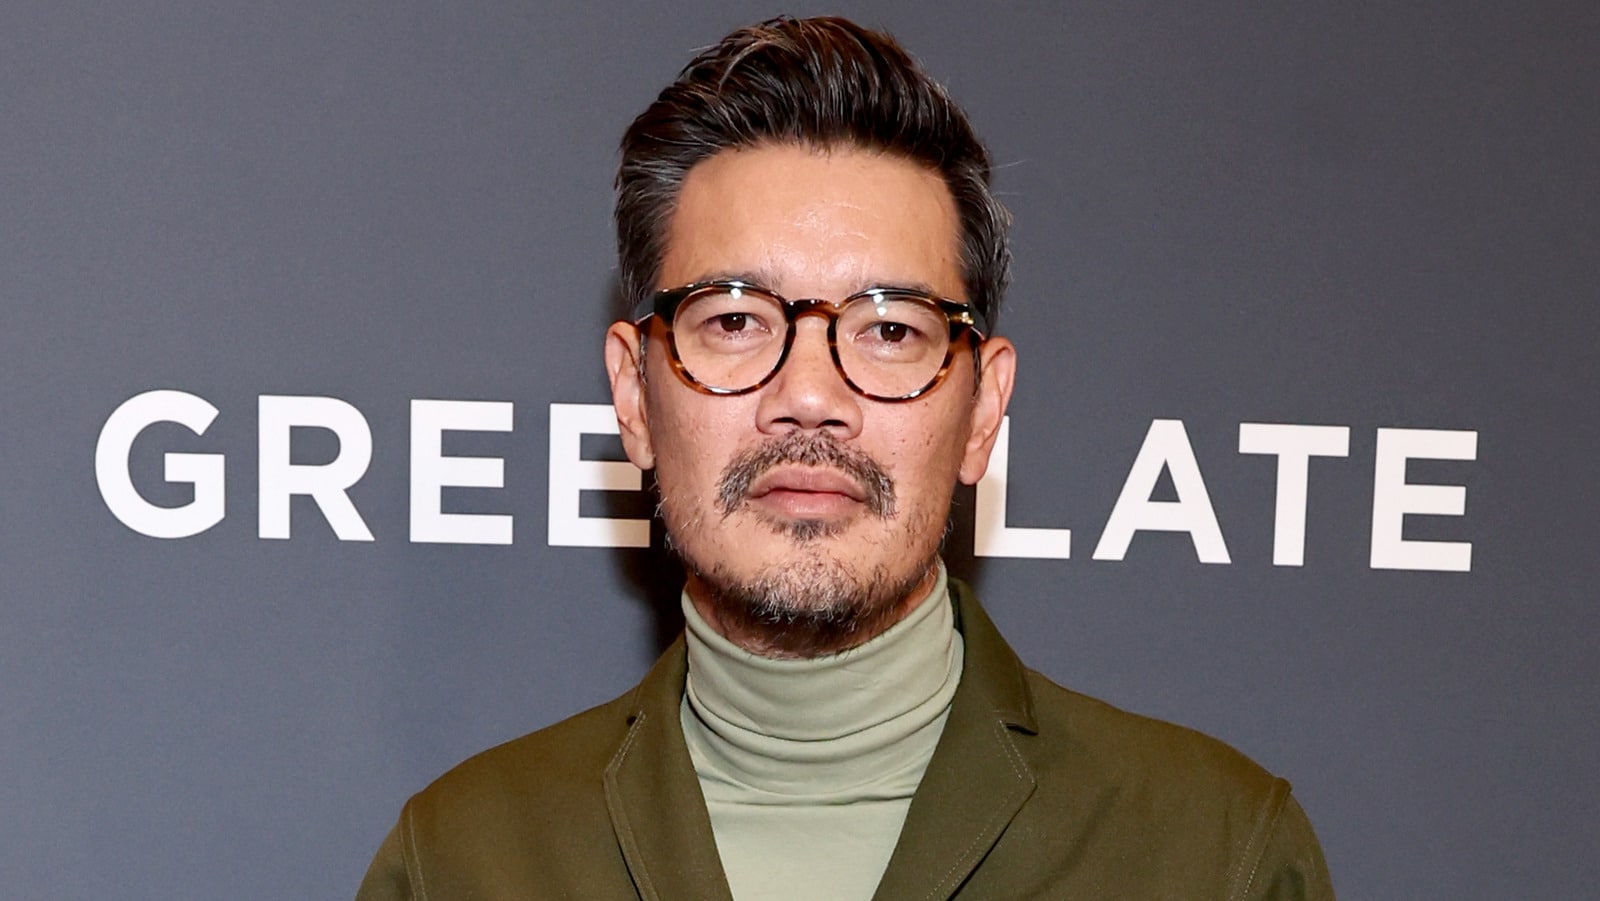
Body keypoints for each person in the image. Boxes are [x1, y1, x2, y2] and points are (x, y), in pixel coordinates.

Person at [357, 16, 1334, 900]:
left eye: (890, 330)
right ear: (634, 396)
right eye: (734, 319)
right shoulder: (461, 862)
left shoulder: (1215, 856)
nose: (810, 395)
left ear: (983, 409)